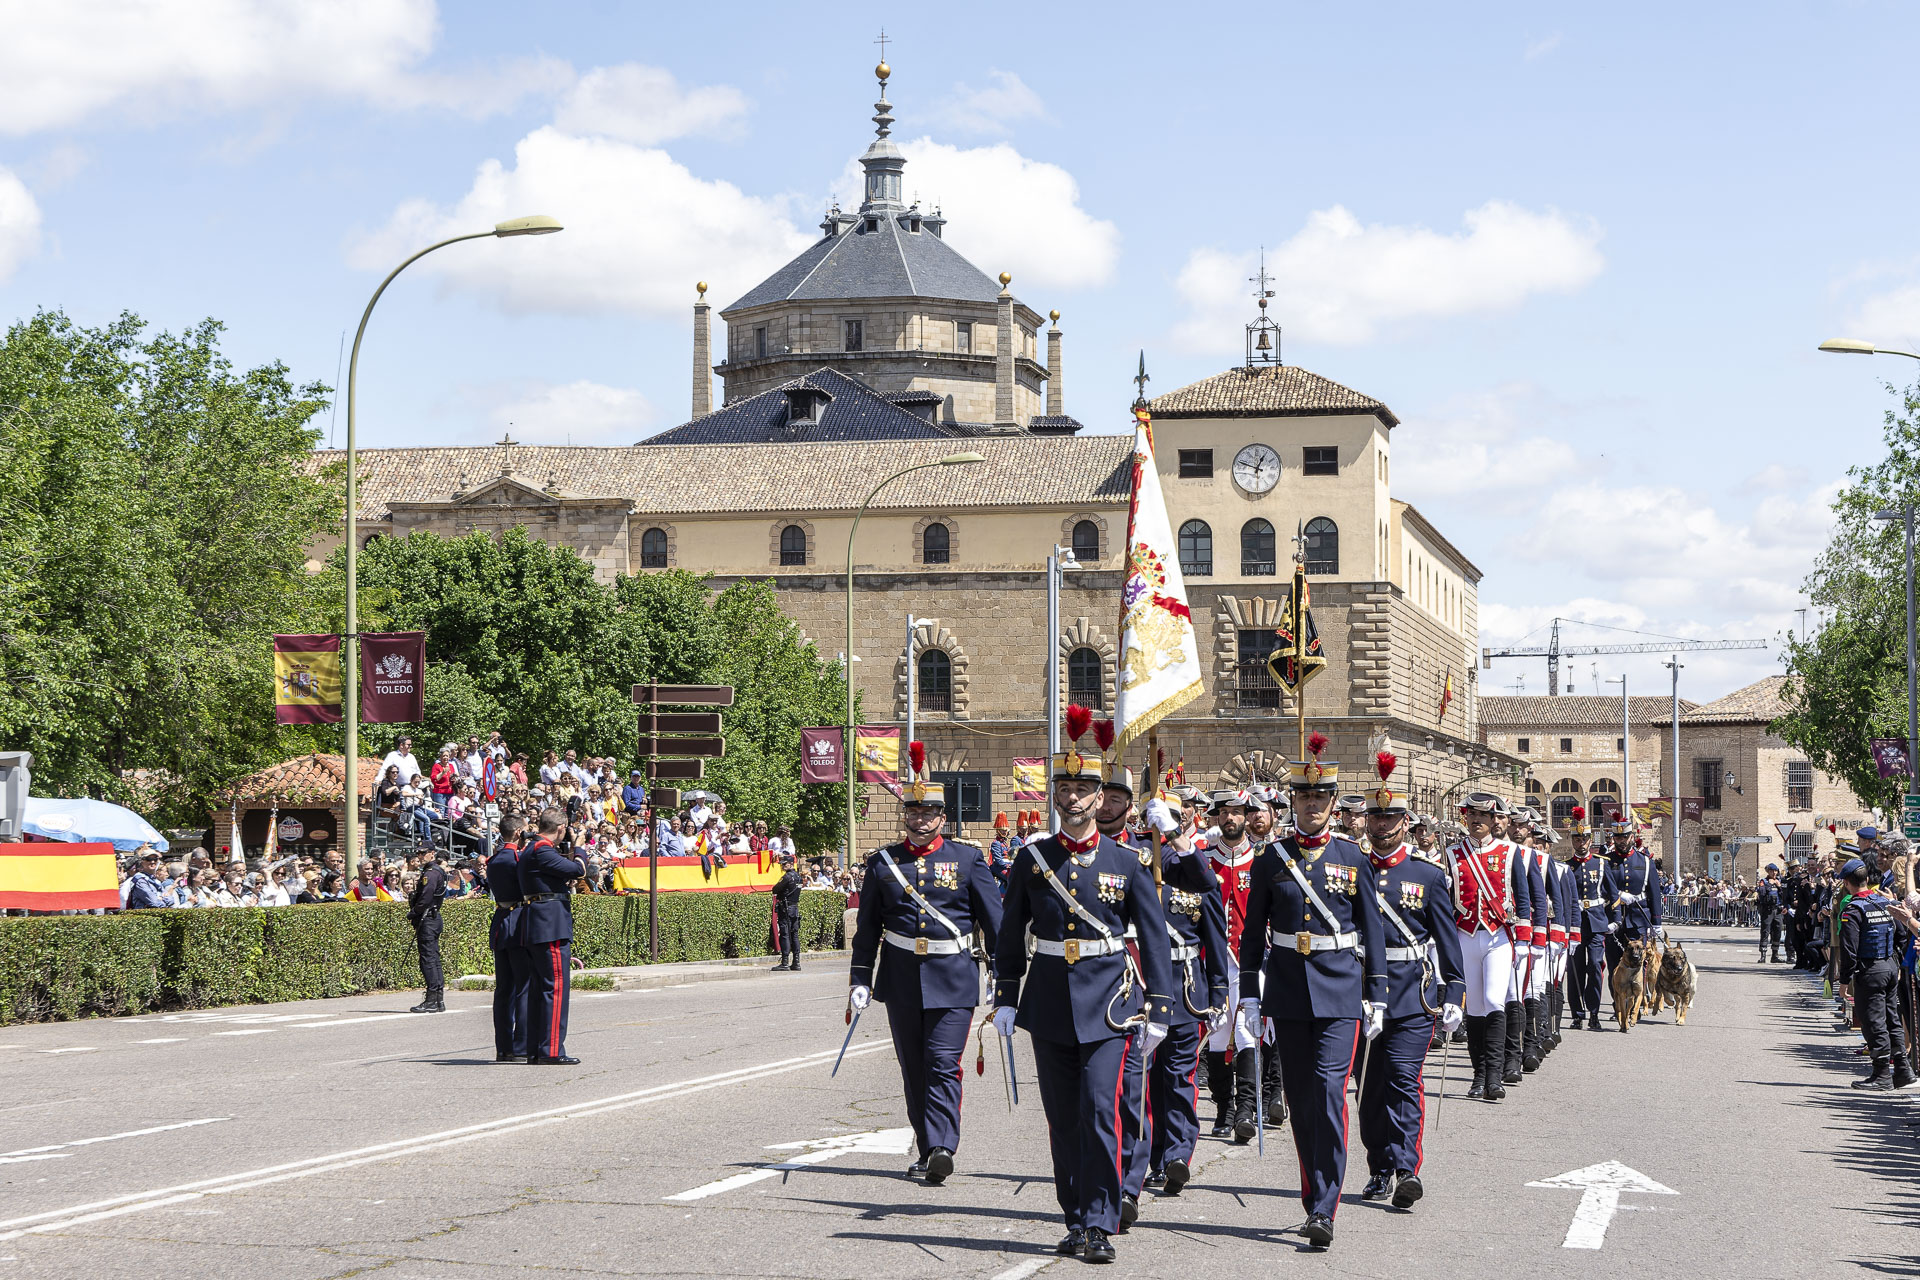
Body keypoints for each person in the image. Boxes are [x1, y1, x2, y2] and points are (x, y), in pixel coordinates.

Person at [991, 717, 1172, 1264]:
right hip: (1048, 1002)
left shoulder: (1128, 862)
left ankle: (1099, 1219)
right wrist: (1004, 995)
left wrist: (1159, 1006)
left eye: (1083, 789)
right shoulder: (1033, 858)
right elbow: (1010, 930)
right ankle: (1074, 1218)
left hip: (1111, 1007)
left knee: (1100, 1112)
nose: (1072, 798)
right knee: (1063, 1119)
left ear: (1100, 797)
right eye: (1063, 790)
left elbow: (1155, 938)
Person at [1235, 737, 1386, 1249]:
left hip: (1341, 989)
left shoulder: (1353, 858)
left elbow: (1373, 931)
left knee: (1327, 1091)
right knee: (1301, 1101)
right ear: (1292, 803)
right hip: (1288, 991)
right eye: (1304, 799)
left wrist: (1378, 994)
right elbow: (1252, 934)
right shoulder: (1270, 860)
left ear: (1334, 803)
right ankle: (1312, 1195)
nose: (1313, 806)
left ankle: (1325, 1205)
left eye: (1321, 799)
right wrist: (1250, 997)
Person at [849, 744, 1003, 1185]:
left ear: (942, 816)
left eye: (928, 813)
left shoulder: (968, 859)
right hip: (900, 980)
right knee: (913, 1068)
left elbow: (995, 923)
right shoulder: (883, 863)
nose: (919, 820)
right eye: (912, 813)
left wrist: (1003, 975)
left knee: (941, 1062)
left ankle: (941, 1146)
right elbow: (867, 928)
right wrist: (860, 978)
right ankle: (926, 1145)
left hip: (953, 979)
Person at [1111, 773, 1229, 1213]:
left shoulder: (1190, 865)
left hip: (1184, 987)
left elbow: (1214, 935)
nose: (1163, 828)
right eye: (1158, 821)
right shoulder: (1136, 860)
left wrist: (1218, 992)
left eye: (1173, 820)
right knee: (1139, 1083)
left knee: (1177, 1077)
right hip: (1138, 982)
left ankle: (1177, 1153)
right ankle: (1142, 1164)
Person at [1355, 756, 1464, 1209]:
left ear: (1406, 822)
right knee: (1368, 1090)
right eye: (1375, 816)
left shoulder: (1429, 875)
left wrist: (1454, 991)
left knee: (1402, 1079)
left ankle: (1405, 1169)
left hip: (1412, 995)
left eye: (1391, 817)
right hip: (1360, 992)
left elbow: (1447, 939)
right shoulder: (1352, 868)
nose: (1382, 825)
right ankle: (1379, 1166)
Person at [1442, 792, 1532, 1099]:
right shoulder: (1453, 854)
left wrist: (1522, 941)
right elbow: (1444, 900)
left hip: (1498, 936)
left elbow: (1523, 899)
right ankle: (1478, 1074)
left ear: (1493, 819)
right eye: (1472, 816)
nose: (1478, 821)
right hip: (1465, 935)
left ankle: (1495, 1075)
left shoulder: (1509, 852)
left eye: (1484, 817)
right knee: (1476, 1007)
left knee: (1495, 1001)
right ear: (1465, 818)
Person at [1202, 790, 1262, 1141]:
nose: (1230, 818)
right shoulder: (1204, 860)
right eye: (1224, 812)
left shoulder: (1263, 860)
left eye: (1236, 812)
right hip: (1213, 960)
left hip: (1250, 960)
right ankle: (1223, 1107)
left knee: (1245, 1031)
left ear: (1246, 816)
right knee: (1218, 1033)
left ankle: (1246, 1110)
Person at [1838, 857, 1915, 1089]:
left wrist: (1844, 981)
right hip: (1889, 967)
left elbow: (1849, 950)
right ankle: (1902, 1070)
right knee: (1892, 1018)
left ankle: (1881, 1074)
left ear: (1846, 883)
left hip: (1869, 970)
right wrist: (1894, 961)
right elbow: (1902, 933)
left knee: (1873, 1021)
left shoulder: (1852, 909)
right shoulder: (1883, 903)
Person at [517, 808, 587, 1065]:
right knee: (555, 988)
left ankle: (537, 1048)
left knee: (539, 989)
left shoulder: (533, 849)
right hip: (550, 925)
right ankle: (552, 1050)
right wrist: (579, 847)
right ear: (560, 828)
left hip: (538, 923)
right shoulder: (542, 850)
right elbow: (579, 870)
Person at [1602, 818, 1663, 1016]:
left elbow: (1654, 892)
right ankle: (1617, 1005)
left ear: (1632, 837)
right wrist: (1618, 895)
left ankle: (1634, 1004)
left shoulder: (1645, 861)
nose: (1621, 840)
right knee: (1614, 964)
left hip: (1638, 919)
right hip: (1614, 919)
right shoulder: (1605, 861)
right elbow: (1602, 888)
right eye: (1617, 837)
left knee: (1639, 964)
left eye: (1625, 836)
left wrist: (1656, 922)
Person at [487, 815, 531, 1062]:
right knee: (523, 987)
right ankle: (520, 1045)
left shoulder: (495, 859)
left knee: (503, 989)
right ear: (517, 833)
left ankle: (503, 1047)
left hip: (501, 922)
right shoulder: (517, 858)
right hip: (518, 923)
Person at [407, 850, 447, 1013]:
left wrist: (414, 912)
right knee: (433, 958)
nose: (421, 856)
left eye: (424, 853)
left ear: (432, 853)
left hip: (427, 918)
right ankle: (437, 999)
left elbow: (425, 897)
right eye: (419, 853)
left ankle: (432, 999)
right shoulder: (438, 871)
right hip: (433, 917)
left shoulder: (430, 874)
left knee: (428, 960)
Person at [771, 852, 806, 971]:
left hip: (785, 908)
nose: (782, 866)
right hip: (794, 908)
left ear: (791, 864)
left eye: (784, 864)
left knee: (785, 934)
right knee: (794, 935)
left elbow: (775, 889)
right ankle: (796, 962)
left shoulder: (787, 877)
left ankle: (785, 961)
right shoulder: (799, 877)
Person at [1758, 862, 1785, 962]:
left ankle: (1775, 955)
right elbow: (1762, 893)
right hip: (1767, 910)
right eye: (1772, 871)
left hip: (1777, 910)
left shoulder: (1779, 881)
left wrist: (1779, 887)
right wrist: (1770, 884)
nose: (1774, 873)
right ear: (1768, 871)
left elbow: (1783, 896)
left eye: (1775, 871)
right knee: (1765, 932)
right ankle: (1763, 955)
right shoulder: (1764, 881)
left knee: (1777, 932)